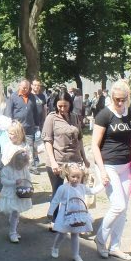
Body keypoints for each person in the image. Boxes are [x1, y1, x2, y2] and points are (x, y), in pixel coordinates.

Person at [91, 79, 131, 261]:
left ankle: (115, 246)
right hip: (108, 165)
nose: (120, 103)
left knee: (124, 208)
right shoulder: (104, 115)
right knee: (118, 205)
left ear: (128, 98)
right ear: (112, 97)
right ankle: (100, 239)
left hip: (126, 165)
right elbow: (94, 145)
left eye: (123, 99)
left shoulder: (130, 114)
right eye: (117, 99)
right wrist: (102, 171)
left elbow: (128, 141)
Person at [42, 90, 88, 226]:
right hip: (58, 161)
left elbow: (80, 139)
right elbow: (48, 141)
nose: (62, 109)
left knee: (76, 192)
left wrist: (84, 158)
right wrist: (53, 162)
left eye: (65, 106)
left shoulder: (74, 117)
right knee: (58, 192)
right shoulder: (51, 118)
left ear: (70, 104)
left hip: (75, 161)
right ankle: (54, 220)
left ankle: (74, 218)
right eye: (60, 106)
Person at [47, 164, 104, 261]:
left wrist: (103, 184)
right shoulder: (63, 188)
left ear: (81, 177)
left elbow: (92, 191)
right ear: (68, 176)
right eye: (73, 176)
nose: (76, 179)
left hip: (78, 214)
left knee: (75, 234)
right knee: (62, 233)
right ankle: (55, 247)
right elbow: (55, 200)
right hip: (65, 214)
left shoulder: (82, 187)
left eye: (78, 177)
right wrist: (50, 212)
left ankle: (76, 254)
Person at [0, 122, 32, 243]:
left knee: (16, 211)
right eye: (9, 133)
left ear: (19, 134)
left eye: (13, 134)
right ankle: (13, 230)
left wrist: (27, 184)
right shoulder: (8, 147)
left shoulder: (25, 147)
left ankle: (13, 230)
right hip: (11, 187)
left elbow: (28, 164)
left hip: (20, 186)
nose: (10, 136)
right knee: (14, 210)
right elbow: (5, 160)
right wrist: (13, 173)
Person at [5, 79, 39, 174]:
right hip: (17, 128)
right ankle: (15, 164)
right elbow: (9, 112)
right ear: (19, 86)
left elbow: (35, 111)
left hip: (29, 127)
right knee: (17, 147)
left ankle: (31, 166)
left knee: (30, 147)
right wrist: (11, 125)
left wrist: (37, 124)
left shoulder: (32, 97)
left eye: (27, 88)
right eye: (23, 88)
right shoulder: (13, 97)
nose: (25, 90)